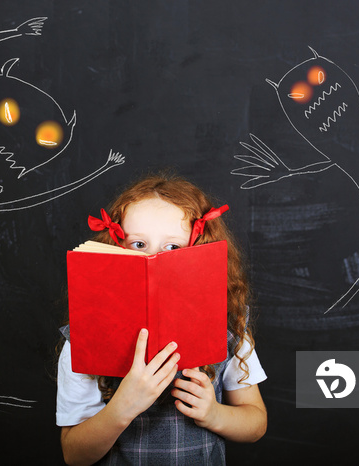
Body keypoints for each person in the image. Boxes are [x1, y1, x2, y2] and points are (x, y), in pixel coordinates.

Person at [56, 173, 267, 465]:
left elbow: (256, 423)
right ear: (116, 246)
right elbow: (74, 454)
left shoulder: (227, 327)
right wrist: (122, 407)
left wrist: (214, 414)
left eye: (172, 248)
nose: (153, 259)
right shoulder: (84, 336)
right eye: (139, 244)